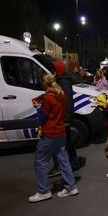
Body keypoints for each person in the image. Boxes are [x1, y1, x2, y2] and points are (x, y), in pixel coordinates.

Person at [28, 74, 78, 202]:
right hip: (61, 131)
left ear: (44, 84)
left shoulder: (48, 98)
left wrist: (38, 108)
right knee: (63, 160)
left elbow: (43, 117)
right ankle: (71, 186)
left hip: (50, 132)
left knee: (40, 161)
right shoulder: (61, 95)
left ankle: (43, 191)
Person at [48, 60, 80, 178]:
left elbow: (68, 103)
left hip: (63, 119)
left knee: (58, 144)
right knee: (67, 143)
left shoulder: (63, 82)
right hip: (63, 118)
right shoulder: (62, 81)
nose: (52, 72)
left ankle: (60, 167)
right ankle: (73, 163)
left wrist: (66, 119)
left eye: (54, 70)